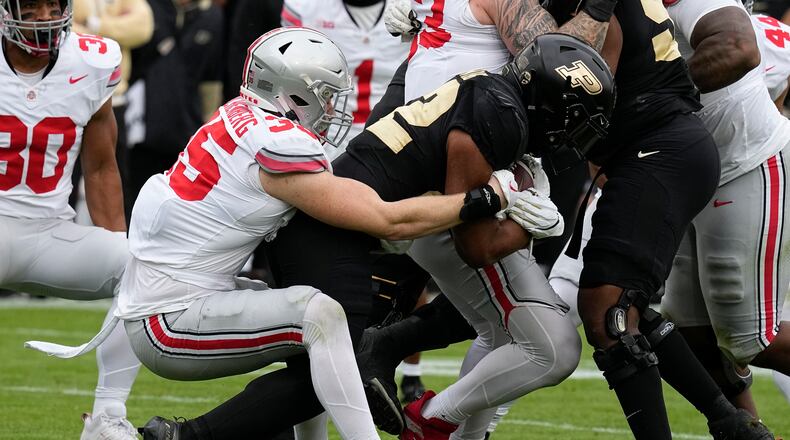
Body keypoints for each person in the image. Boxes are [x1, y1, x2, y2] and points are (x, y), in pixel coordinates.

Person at [136, 32, 615, 440]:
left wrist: (499, 199)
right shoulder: (284, 143)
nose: (333, 110)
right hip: (181, 314)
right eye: (323, 96)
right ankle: (195, 433)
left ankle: (190, 433)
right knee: (327, 338)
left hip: (167, 295)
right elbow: (405, 225)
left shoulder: (235, 118)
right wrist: (500, 205)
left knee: (319, 356)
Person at [362, 0, 777, 439]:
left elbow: (571, 77)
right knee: (579, 308)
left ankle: (420, 394)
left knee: (605, 313)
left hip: (661, 151)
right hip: (621, 158)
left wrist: (531, 178)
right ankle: (729, 421)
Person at [0, 0, 141, 438]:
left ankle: (107, 418)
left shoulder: (91, 62)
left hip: (47, 233)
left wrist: (119, 248)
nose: (44, 16)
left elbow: (100, 168)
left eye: (52, 4)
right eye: (32, 5)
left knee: (144, 267)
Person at [659, 0, 790, 418]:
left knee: (751, 339)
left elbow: (738, 48)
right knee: (688, 338)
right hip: (693, 176)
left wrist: (654, 92)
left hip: (747, 162)